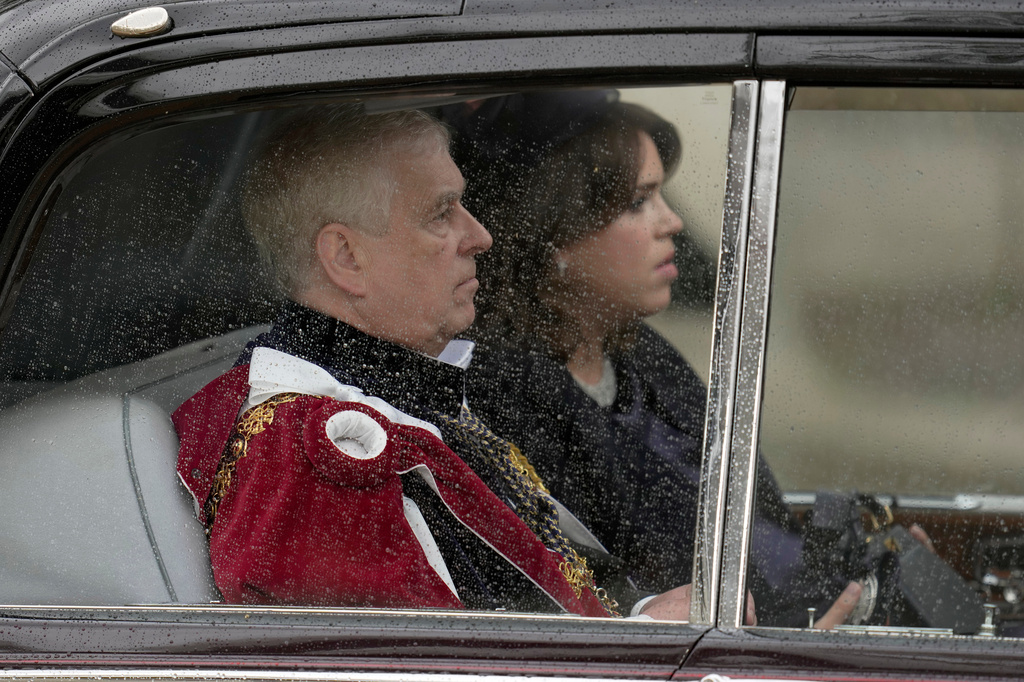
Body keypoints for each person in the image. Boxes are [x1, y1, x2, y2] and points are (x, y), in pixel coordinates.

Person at [172, 103, 693, 619]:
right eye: (442, 213)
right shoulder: (318, 456)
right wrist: (648, 633)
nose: (479, 237)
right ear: (347, 258)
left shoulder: (398, 384)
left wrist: (646, 614)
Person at [451, 91, 864, 628]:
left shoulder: (642, 356)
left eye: (662, 196)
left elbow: (750, 525)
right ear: (556, 232)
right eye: (637, 202)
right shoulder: (501, 399)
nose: (672, 222)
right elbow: (608, 594)